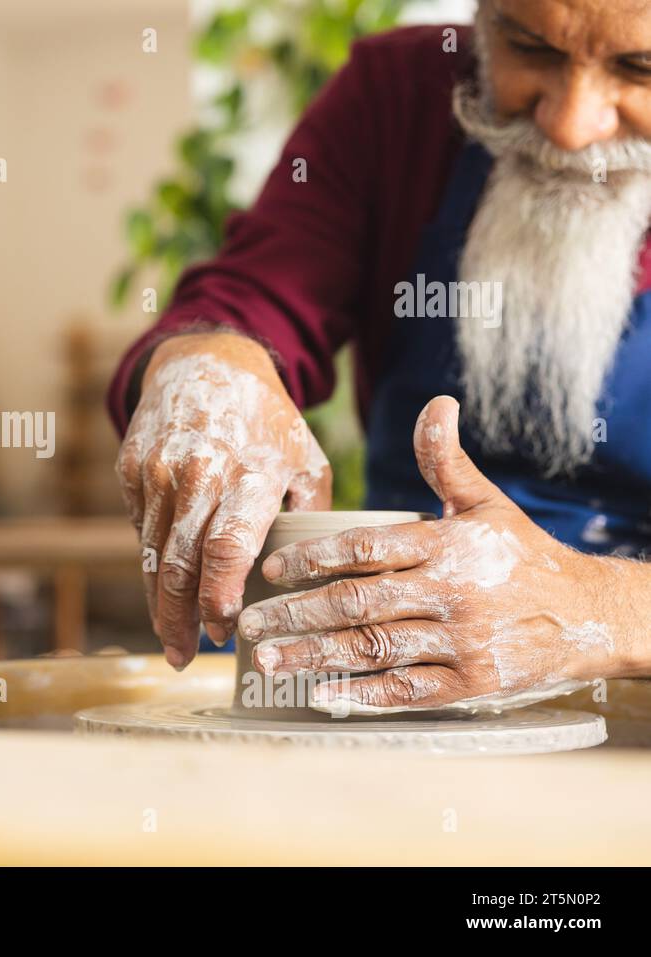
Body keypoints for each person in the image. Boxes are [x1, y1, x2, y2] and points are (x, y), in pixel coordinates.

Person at [109, 0, 651, 712]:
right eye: (531, 50)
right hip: (383, 671)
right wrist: (208, 363)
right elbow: (259, 289)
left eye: (638, 69)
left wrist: (598, 607)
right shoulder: (396, 94)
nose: (570, 125)